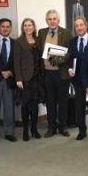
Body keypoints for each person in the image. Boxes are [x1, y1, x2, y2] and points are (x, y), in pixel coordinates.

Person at [37, 9, 72, 137]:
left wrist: (57, 59)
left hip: (61, 73)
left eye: (54, 19)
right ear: (47, 20)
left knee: (63, 101)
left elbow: (70, 52)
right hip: (47, 73)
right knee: (50, 101)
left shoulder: (66, 32)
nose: (52, 21)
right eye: (50, 19)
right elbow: (39, 51)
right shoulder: (41, 33)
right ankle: (51, 127)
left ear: (58, 20)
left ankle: (63, 127)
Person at [14, 18, 43, 141]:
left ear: (34, 27)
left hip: (38, 77)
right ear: (23, 27)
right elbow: (16, 62)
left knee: (35, 106)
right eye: (25, 25)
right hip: (25, 78)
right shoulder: (18, 41)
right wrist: (18, 78)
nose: (28, 27)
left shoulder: (38, 40)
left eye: (30, 25)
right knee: (25, 105)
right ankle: (25, 130)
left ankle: (34, 129)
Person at [68, 16, 88, 140]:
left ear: (86, 25)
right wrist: (69, 69)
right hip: (77, 79)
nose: (79, 28)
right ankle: (82, 131)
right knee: (79, 106)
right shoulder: (72, 41)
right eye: (76, 26)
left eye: (81, 25)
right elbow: (69, 59)